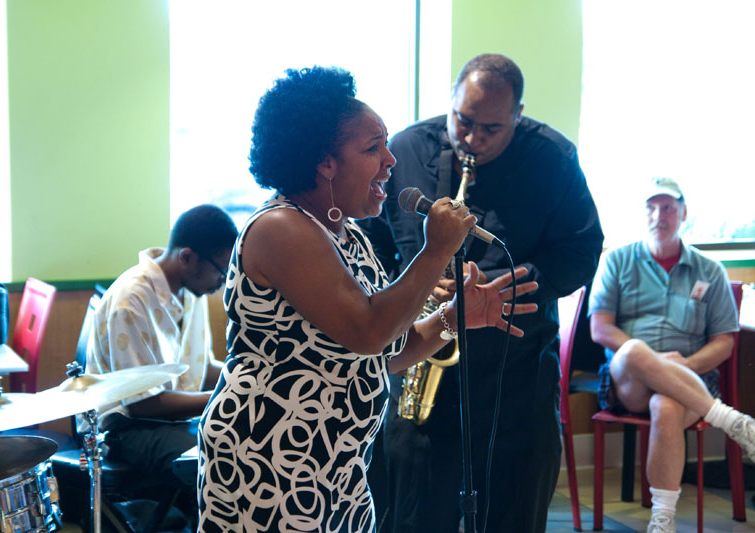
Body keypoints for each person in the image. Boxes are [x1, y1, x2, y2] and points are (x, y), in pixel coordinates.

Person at [197, 65, 540, 533]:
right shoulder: (281, 229)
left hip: (338, 465)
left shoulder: (347, 234)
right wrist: (437, 249)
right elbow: (368, 331)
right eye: (372, 148)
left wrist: (454, 318)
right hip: (269, 455)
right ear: (325, 163)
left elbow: (387, 352)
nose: (391, 161)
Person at [357, 53, 604, 532]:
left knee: (511, 511)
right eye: (463, 121)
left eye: (491, 129)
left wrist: (513, 282)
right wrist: (419, 275)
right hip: (419, 375)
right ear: (450, 101)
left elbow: (581, 249)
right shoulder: (405, 151)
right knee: (410, 513)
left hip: (515, 375)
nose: (472, 139)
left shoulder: (553, 158)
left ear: (519, 115)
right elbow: (369, 249)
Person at [588, 177, 755, 533]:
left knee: (666, 404)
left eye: (667, 207)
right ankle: (731, 421)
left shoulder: (709, 270)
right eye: (651, 207)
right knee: (634, 349)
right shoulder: (617, 260)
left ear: (683, 214)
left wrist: (687, 366)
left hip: (691, 378)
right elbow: (600, 330)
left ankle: (662, 521)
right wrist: (657, 362)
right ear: (642, 213)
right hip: (627, 379)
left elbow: (724, 342)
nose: (658, 215)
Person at [83, 203, 237, 491]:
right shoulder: (131, 301)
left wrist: (247, 379)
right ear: (188, 258)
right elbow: (143, 403)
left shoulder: (190, 291)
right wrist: (226, 397)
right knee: (219, 461)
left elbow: (199, 369)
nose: (223, 282)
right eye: (221, 271)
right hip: (126, 427)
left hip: (167, 418)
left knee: (248, 441)